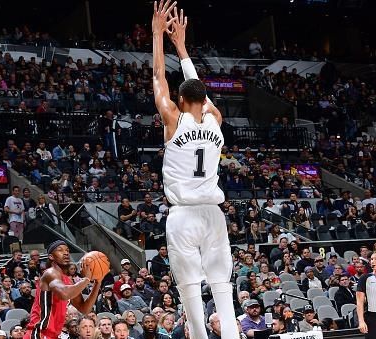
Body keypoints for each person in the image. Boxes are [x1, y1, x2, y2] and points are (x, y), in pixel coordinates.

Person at [152, 3, 239, 337]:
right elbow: (199, 92)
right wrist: (183, 47)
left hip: (184, 214)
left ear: (179, 98)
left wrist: (159, 34)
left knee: (190, 290)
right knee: (222, 288)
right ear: (205, 101)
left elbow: (159, 77)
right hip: (212, 213)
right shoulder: (216, 121)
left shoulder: (173, 120)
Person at [23, 241, 104, 339]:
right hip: (39, 333)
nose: (66, 253)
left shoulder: (67, 281)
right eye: (60, 250)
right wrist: (86, 279)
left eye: (67, 250)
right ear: (51, 257)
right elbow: (64, 294)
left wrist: (97, 283)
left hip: (53, 335)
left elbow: (85, 309)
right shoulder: (50, 273)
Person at [357, 250, 376, 339]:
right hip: (373, 318)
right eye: (371, 259)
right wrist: (361, 321)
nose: (372, 261)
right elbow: (359, 303)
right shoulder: (365, 278)